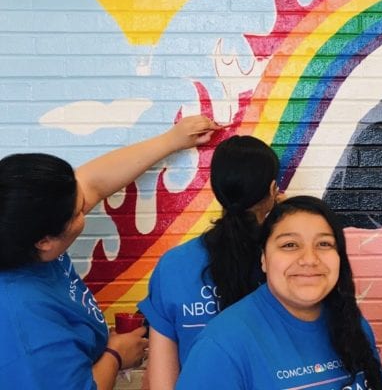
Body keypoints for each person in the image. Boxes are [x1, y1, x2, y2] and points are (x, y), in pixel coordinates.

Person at [0, 115, 218, 390]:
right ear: (44, 241)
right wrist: (115, 356)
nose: (87, 204)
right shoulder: (24, 326)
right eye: (79, 210)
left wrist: (172, 140)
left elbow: (92, 182)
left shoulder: (19, 226)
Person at [176, 196, 382, 389]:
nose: (309, 259)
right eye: (290, 245)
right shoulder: (222, 345)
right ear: (264, 259)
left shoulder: (353, 324)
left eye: (324, 244)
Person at [137, 135, 280, 389]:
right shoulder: (286, 263)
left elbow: (162, 380)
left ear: (216, 190)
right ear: (272, 190)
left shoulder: (173, 265)